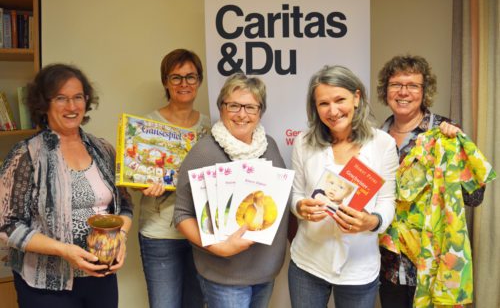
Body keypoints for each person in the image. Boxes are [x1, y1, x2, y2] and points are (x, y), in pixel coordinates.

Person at [0, 63, 133, 308]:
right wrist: (65, 251)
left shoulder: (103, 149)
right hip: (46, 284)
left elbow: (124, 206)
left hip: (101, 277)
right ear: (44, 103)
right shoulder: (26, 155)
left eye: (78, 97)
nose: (72, 107)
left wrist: (121, 239)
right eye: (61, 98)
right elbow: (7, 227)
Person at [376, 54, 491, 308]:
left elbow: (474, 197)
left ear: (424, 92)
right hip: (388, 266)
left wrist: (456, 150)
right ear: (386, 90)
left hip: (434, 265)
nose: (403, 92)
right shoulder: (374, 137)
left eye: (413, 85)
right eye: (396, 85)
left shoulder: (444, 132)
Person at [287, 65, 399, 308]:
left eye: (340, 100)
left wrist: (373, 221)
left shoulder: (383, 144)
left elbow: (388, 200)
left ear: (357, 98)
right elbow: (295, 193)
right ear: (315, 108)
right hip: (308, 264)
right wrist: (300, 207)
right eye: (323, 103)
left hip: (359, 267)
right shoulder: (304, 143)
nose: (333, 111)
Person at [174, 72, 289, 308]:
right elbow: (181, 215)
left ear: (260, 112)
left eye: (250, 107)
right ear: (222, 107)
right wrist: (219, 248)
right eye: (234, 105)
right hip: (224, 276)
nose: (242, 114)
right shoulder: (204, 152)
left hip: (266, 272)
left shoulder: (270, 146)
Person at [138, 49, 210, 308]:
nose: (184, 84)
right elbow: (133, 176)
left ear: (199, 81)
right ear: (165, 82)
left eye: (191, 77)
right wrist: (142, 185)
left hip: (200, 235)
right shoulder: (145, 126)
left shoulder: (210, 128)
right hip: (160, 233)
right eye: (176, 77)